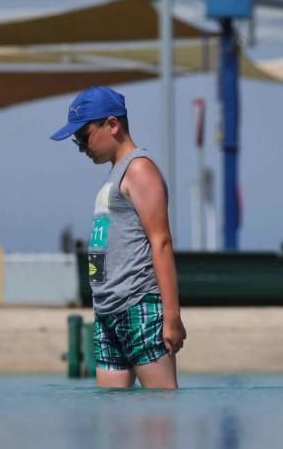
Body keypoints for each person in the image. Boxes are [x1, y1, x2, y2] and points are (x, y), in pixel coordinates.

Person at [51, 86, 185, 389]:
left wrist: (171, 316)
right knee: (110, 412)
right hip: (107, 309)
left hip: (138, 304)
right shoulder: (114, 175)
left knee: (159, 410)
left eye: (83, 137)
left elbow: (161, 242)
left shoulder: (139, 169)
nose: (81, 147)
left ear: (112, 124)